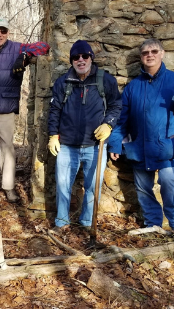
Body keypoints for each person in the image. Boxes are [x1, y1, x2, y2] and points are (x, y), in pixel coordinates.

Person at [107, 39, 174, 240]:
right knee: (143, 189)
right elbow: (122, 119)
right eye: (145, 52)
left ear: (162, 53)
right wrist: (115, 142)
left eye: (154, 51)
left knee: (169, 184)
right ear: (141, 57)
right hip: (139, 146)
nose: (150, 55)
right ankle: (153, 224)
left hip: (167, 147)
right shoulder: (133, 87)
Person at [0, 16, 50, 202]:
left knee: (8, 149)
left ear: (8, 32)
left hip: (6, 107)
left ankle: (8, 186)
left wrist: (25, 56)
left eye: (3, 31)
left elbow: (44, 47)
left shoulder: (17, 48)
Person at [47, 40, 121, 231]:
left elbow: (116, 106)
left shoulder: (106, 80)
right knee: (63, 186)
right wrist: (53, 135)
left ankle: (88, 222)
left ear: (91, 58)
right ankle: (62, 223)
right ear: (71, 61)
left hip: (95, 145)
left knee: (92, 187)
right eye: (76, 57)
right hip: (67, 146)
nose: (80, 60)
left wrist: (108, 124)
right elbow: (54, 110)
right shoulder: (63, 82)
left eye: (84, 56)